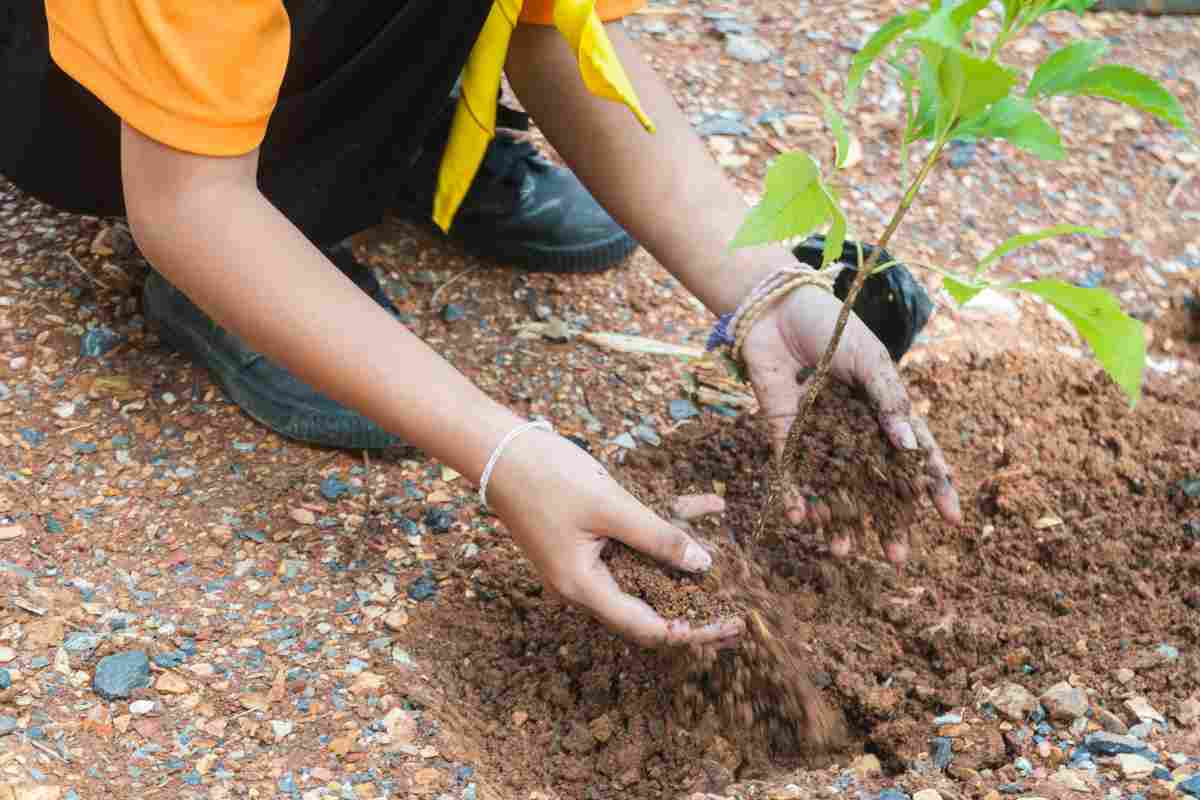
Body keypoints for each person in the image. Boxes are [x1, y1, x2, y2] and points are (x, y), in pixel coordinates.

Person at [0, 0, 962, 648]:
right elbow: (187, 201)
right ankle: (275, 224)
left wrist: (756, 282)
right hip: (81, 100)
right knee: (229, 161)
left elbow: (549, 30)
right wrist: (502, 453)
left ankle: (408, 137)